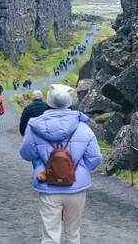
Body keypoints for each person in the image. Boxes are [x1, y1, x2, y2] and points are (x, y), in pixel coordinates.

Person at [19, 84, 103, 244]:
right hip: (76, 187)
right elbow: (95, 158)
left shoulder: (34, 126)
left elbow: (26, 154)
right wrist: (77, 169)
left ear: (48, 101)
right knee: (73, 235)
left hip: (47, 185)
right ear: (70, 102)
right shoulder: (83, 127)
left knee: (50, 237)